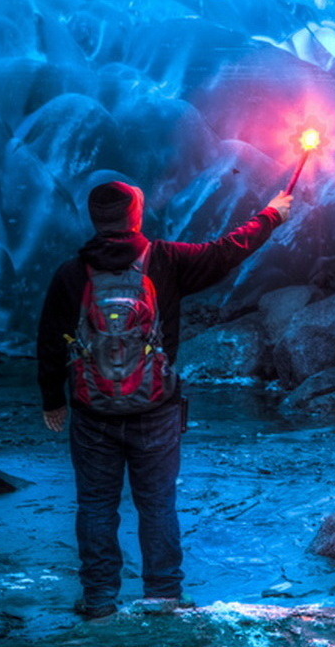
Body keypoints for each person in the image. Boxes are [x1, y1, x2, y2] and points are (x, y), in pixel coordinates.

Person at [37, 180, 292, 620]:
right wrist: (271, 215)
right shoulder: (166, 260)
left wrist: (52, 401)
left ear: (96, 220)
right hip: (156, 407)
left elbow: (49, 341)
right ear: (135, 216)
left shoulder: (70, 273)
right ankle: (162, 596)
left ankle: (98, 599)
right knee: (156, 502)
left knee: (97, 505)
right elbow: (226, 251)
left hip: (93, 411)